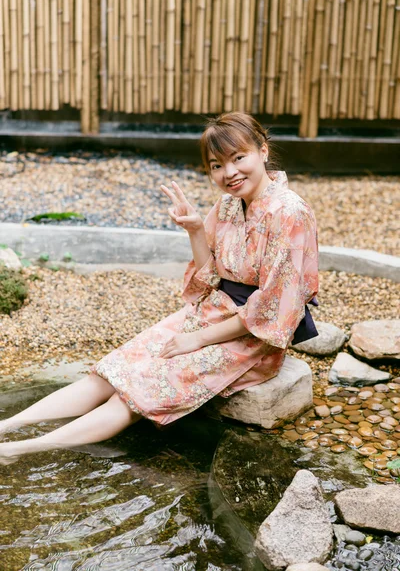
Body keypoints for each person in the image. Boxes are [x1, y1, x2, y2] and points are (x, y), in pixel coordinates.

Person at [0, 112, 319, 465]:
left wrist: (194, 340)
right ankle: (7, 426)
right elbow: (210, 277)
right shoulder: (229, 204)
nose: (228, 173)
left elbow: (274, 309)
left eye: (238, 158)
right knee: (112, 372)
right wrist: (196, 230)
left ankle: (14, 451)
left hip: (252, 336)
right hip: (213, 313)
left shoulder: (290, 212)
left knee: (134, 395)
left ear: (262, 150)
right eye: (216, 165)